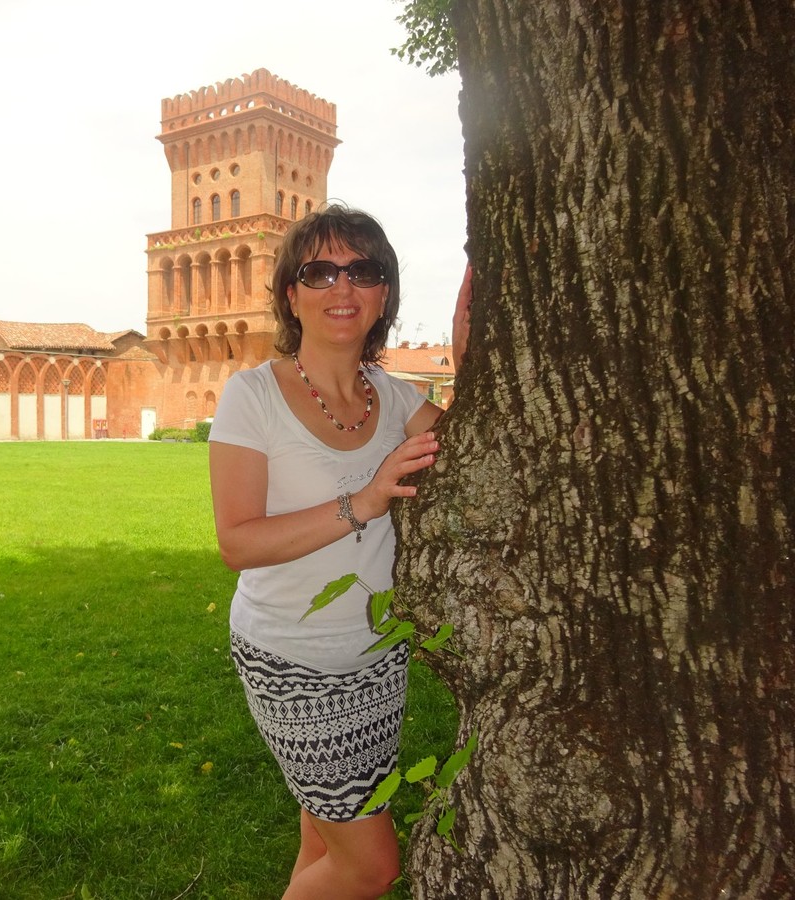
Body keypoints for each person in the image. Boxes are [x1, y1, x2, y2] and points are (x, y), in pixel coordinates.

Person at [208, 203, 470, 899]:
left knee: (323, 839)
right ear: (290, 295)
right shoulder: (252, 396)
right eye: (319, 272)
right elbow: (237, 542)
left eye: (363, 271)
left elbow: (482, 449)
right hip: (293, 661)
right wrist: (365, 499)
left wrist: (470, 344)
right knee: (370, 865)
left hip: (377, 659)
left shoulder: (398, 397)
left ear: (385, 295)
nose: (342, 287)